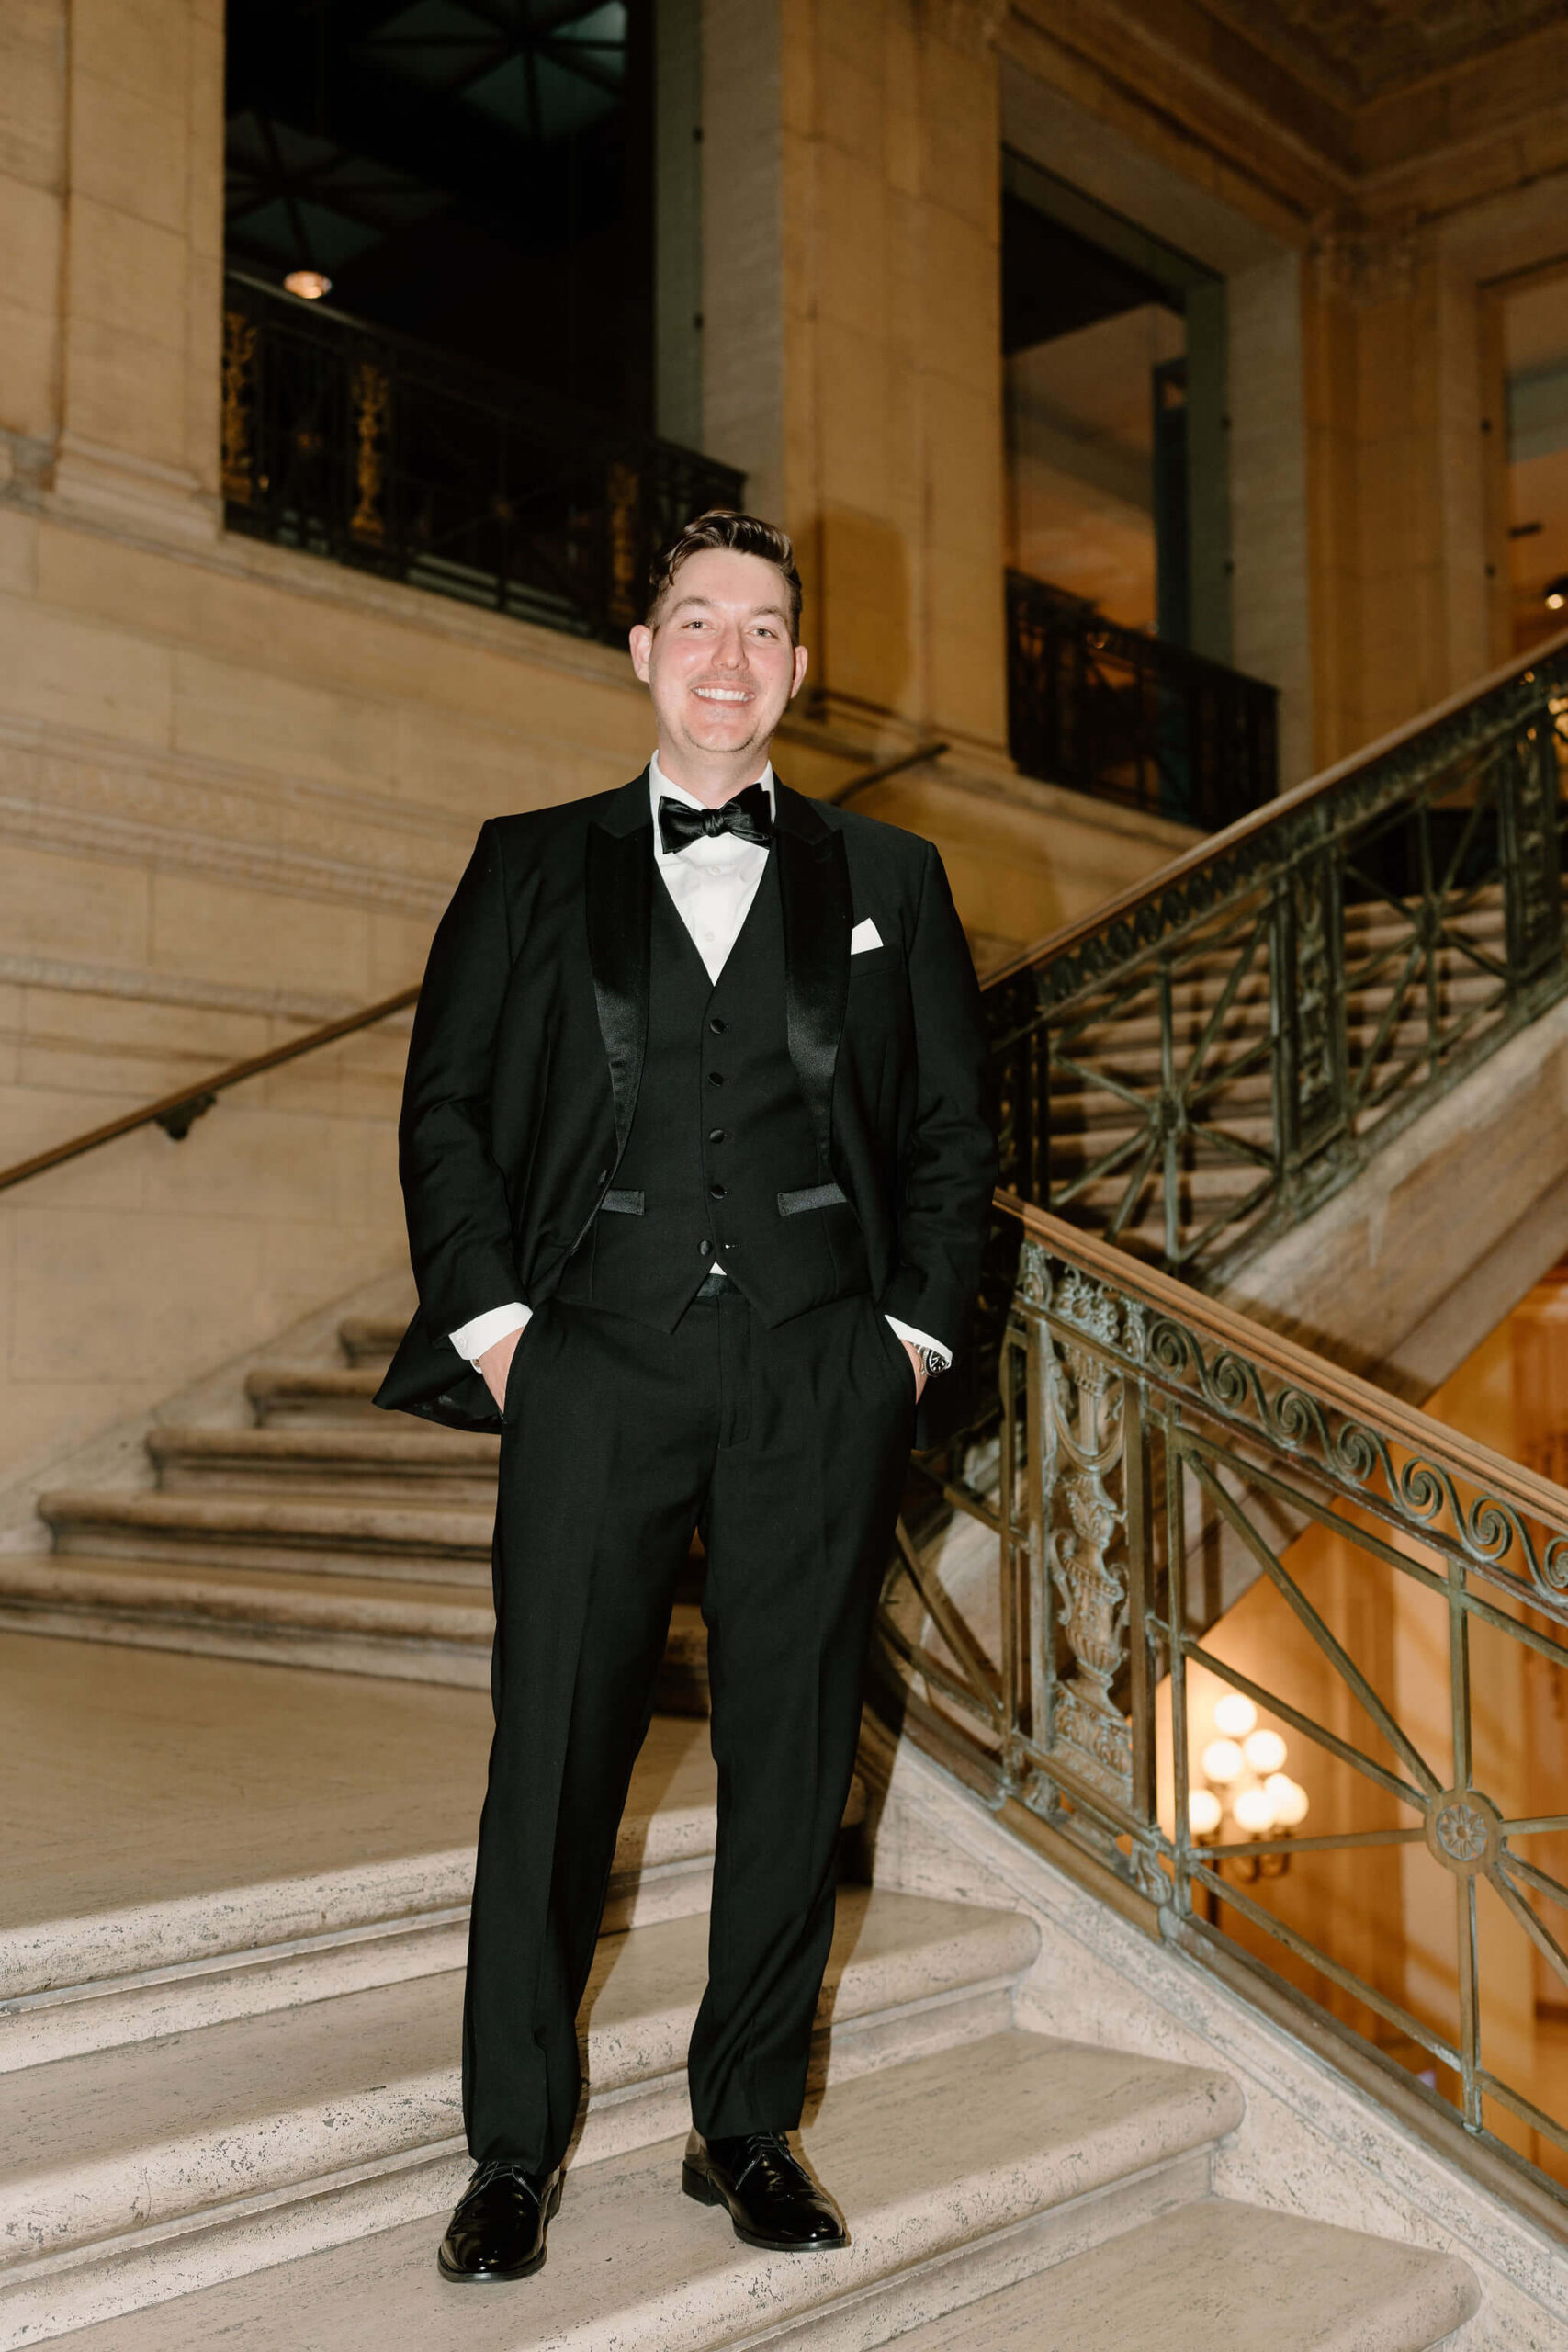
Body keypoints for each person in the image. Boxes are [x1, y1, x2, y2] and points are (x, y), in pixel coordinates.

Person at [376, 509, 996, 2284]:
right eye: (699, 621)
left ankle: (747, 2129)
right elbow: (447, 1110)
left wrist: (908, 1343)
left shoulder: (893, 878)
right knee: (553, 1758)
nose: (732, 656)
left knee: (791, 1757)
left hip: (819, 1364)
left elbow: (952, 1132)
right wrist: (505, 1330)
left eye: (765, 628)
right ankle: (512, 2149)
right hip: (592, 1354)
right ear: (645, 651)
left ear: (800, 666)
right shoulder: (526, 863)